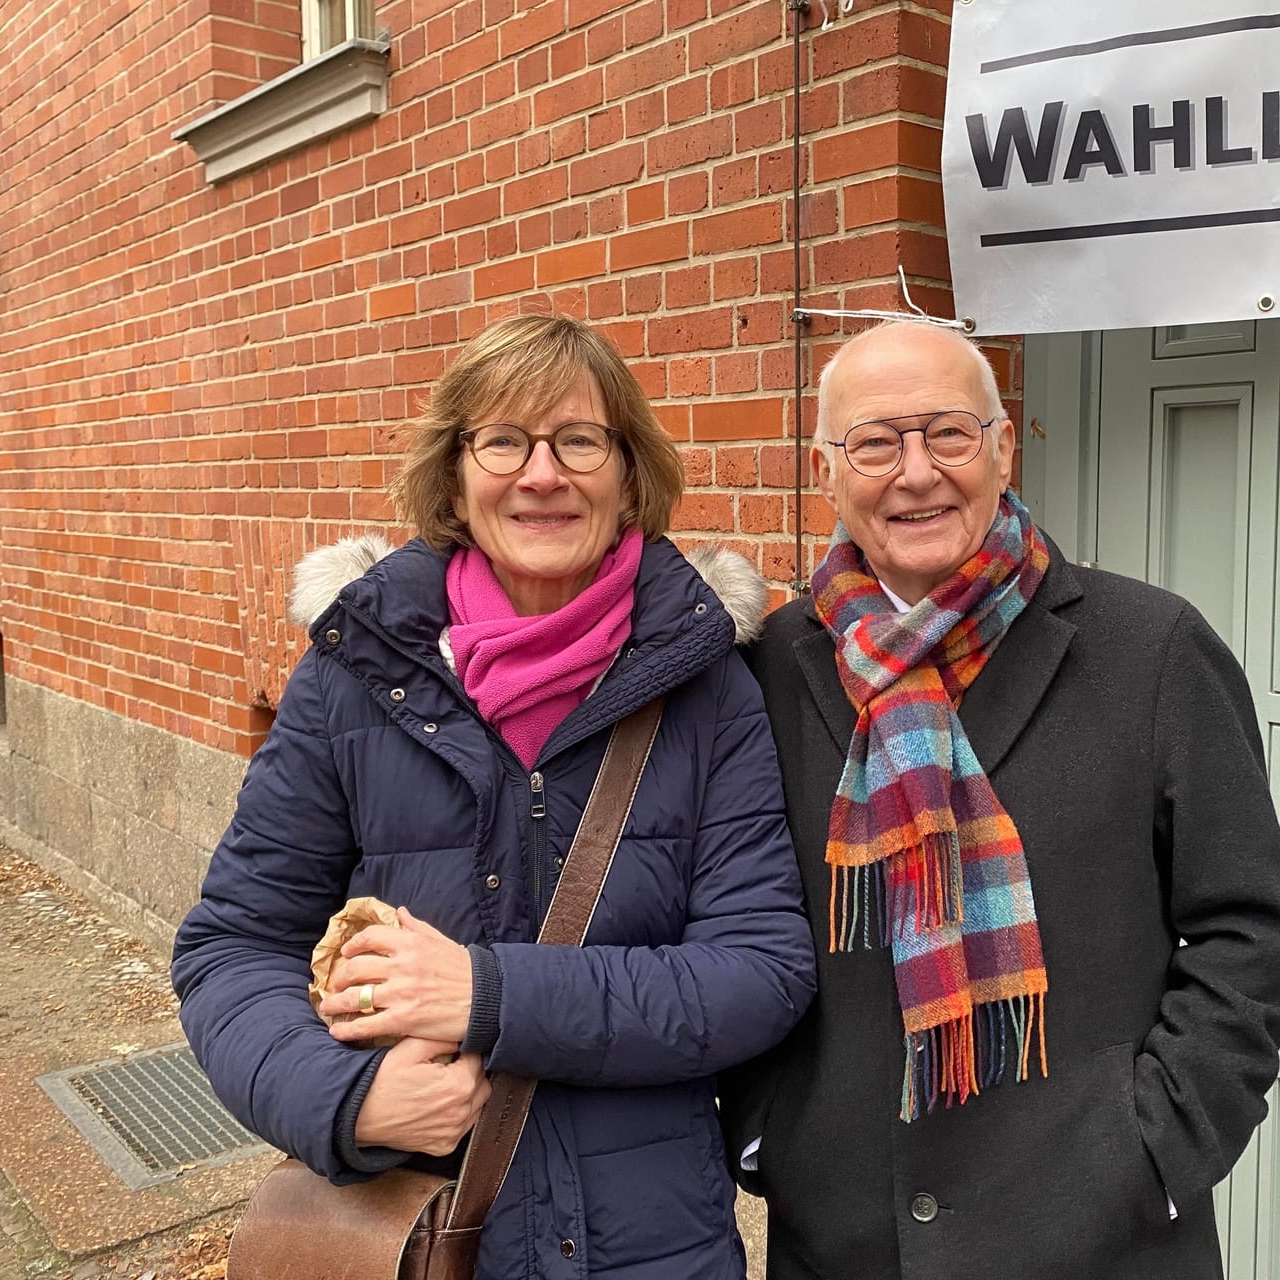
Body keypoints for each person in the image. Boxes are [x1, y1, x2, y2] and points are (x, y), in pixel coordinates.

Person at [172, 314, 816, 1279]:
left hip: (651, 1242)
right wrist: (344, 1098)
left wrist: (484, 992)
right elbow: (233, 946)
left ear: (630, 473)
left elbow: (760, 970)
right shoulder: (354, 677)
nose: (541, 474)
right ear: (455, 474)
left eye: (580, 440)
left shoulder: (707, 684)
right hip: (417, 1226)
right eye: (504, 440)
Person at [720, 319, 1280, 1280]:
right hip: (840, 1238)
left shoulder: (1151, 647)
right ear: (827, 473)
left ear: (1003, 448)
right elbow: (729, 916)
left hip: (1098, 1238)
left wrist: (1156, 1151)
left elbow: (1255, 935)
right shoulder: (773, 668)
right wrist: (768, 1133)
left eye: (949, 433)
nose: (915, 472)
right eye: (875, 442)